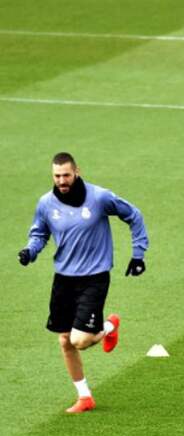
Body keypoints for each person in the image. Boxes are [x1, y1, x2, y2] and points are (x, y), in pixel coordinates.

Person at [18, 152, 148, 413]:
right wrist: (30, 251)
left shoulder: (99, 197)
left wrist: (138, 254)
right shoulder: (46, 203)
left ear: (76, 171)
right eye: (57, 176)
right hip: (64, 278)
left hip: (94, 277)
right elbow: (39, 233)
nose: (62, 180)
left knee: (79, 340)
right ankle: (85, 397)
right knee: (65, 340)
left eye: (66, 175)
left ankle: (109, 326)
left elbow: (133, 215)